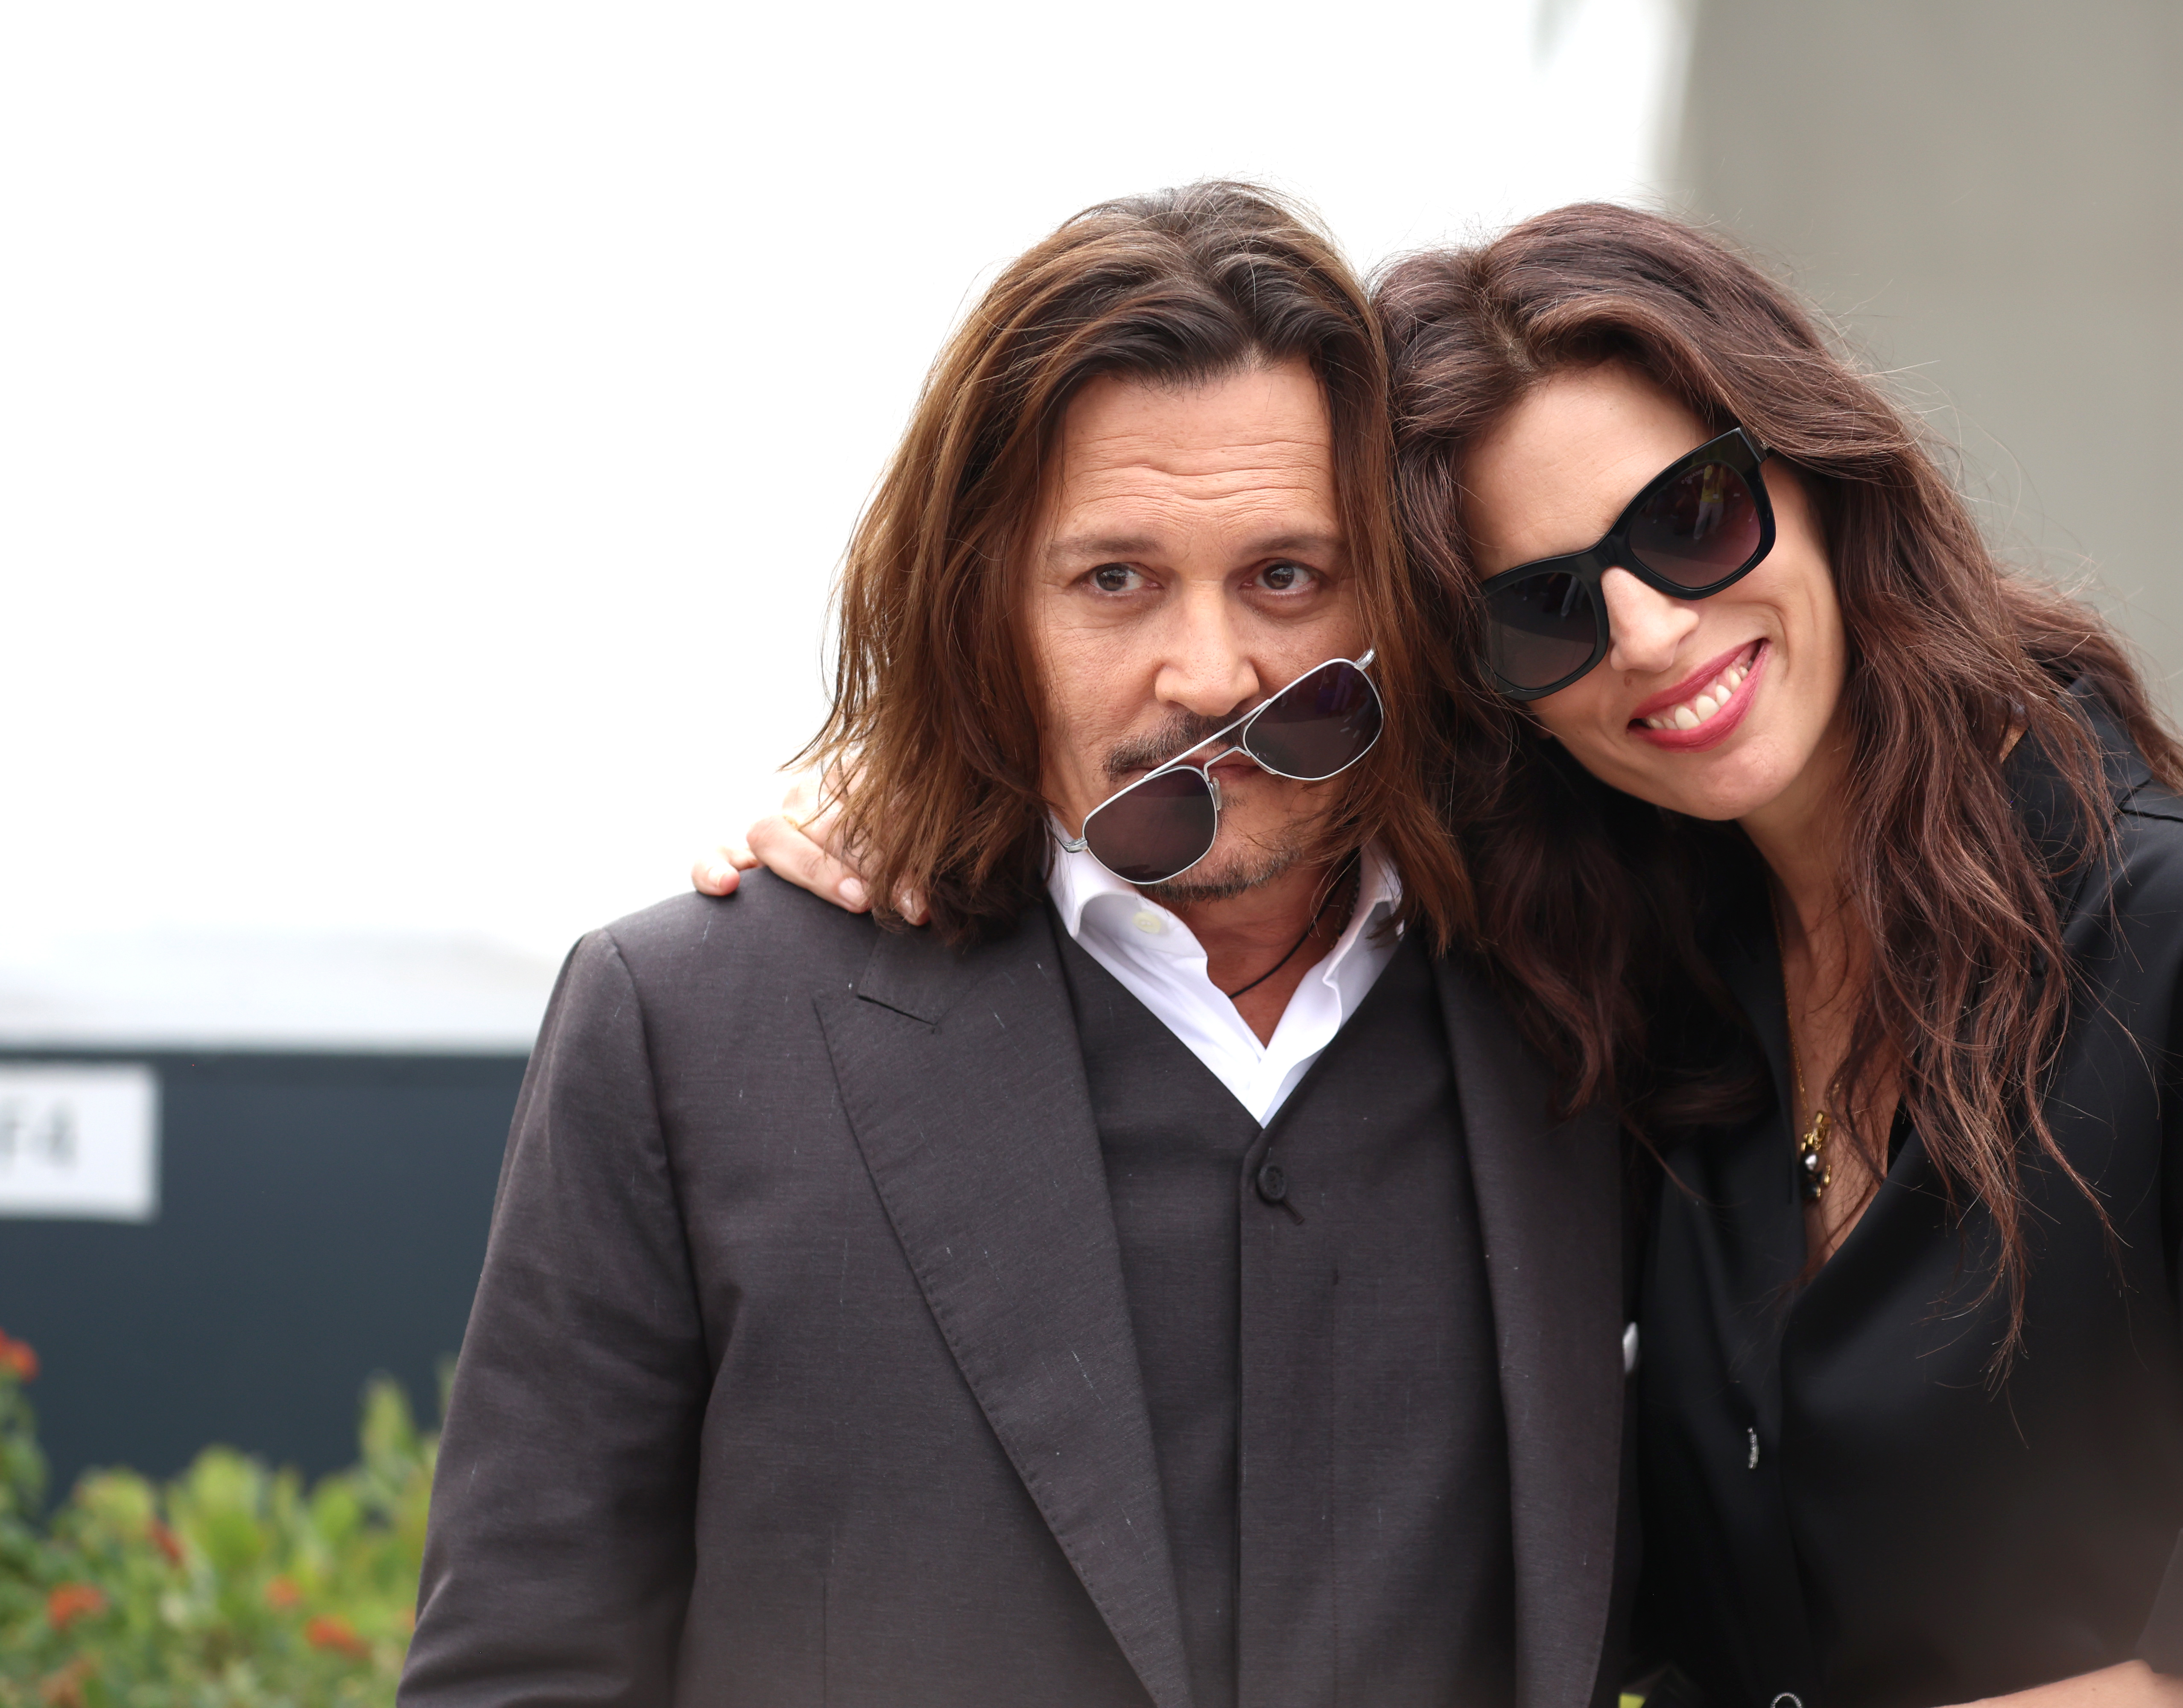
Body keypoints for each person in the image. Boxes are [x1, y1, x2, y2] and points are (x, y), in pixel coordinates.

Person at [722, 202, 2183, 1708]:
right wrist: (922, 824)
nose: (1656, 630)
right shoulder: (1629, 1008)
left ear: (1815, 479)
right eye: (1544, 605)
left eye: (1692, 517)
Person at [406, 184, 1632, 1708]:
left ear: (1400, 594)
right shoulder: (694, 1024)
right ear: (985, 602)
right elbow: (524, 1666)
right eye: (1115, 581)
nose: (1207, 673)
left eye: (1287, 578)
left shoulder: (1590, 985)